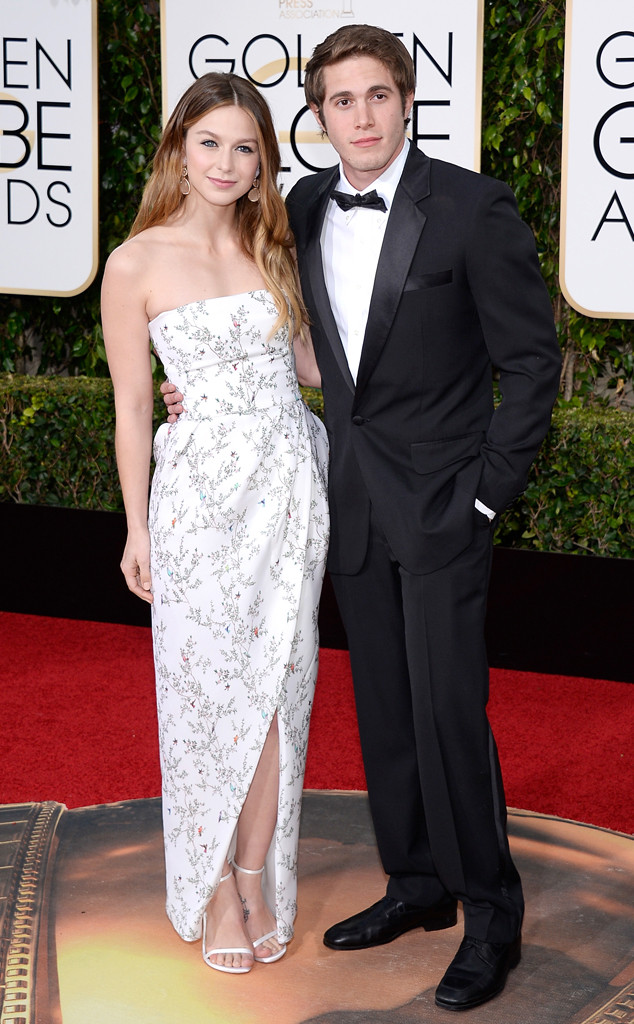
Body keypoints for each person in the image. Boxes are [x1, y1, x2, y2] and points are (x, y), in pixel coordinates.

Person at [163, 24, 562, 1009]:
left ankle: (488, 911)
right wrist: (204, 395)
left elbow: (532, 365)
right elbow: (305, 356)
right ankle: (416, 883)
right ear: (317, 117)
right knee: (383, 709)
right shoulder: (299, 203)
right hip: (345, 501)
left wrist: (482, 493)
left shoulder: (470, 208)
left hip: (442, 506)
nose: (362, 116)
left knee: (444, 714)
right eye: (340, 101)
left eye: (376, 95)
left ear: (407, 98)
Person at [102, 72, 329, 976]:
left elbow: (316, 369)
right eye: (210, 144)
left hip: (286, 493)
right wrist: (136, 530)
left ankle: (252, 871)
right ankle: (209, 885)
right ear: (179, 151)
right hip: (195, 500)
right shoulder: (135, 263)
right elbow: (128, 408)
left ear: (264, 159)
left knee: (279, 690)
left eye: (247, 148)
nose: (228, 163)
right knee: (204, 696)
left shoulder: (276, 245)